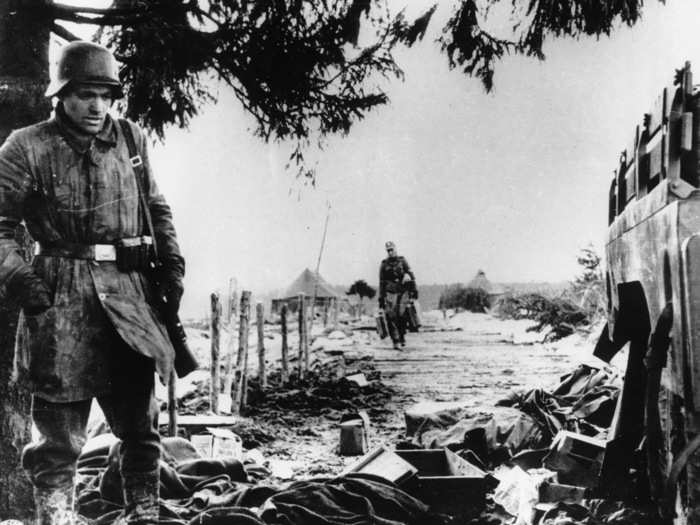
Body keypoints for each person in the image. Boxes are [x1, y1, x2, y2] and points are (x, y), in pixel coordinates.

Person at [0, 41, 184, 524]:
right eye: (85, 93)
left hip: (129, 297)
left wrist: (172, 265)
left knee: (140, 429)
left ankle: (144, 514)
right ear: (61, 95)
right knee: (59, 439)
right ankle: (56, 518)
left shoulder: (131, 140)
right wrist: (21, 278)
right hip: (61, 299)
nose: (96, 105)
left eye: (105, 94)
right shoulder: (27, 145)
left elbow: (157, 209)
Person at [378, 241, 417, 349]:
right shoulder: (384, 264)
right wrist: (381, 297)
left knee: (402, 315)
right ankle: (395, 340)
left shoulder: (402, 261)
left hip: (403, 291)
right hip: (390, 292)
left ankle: (402, 335)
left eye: (392, 250)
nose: (390, 252)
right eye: (388, 250)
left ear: (395, 249)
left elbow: (411, 275)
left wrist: (414, 290)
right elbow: (381, 282)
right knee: (391, 316)